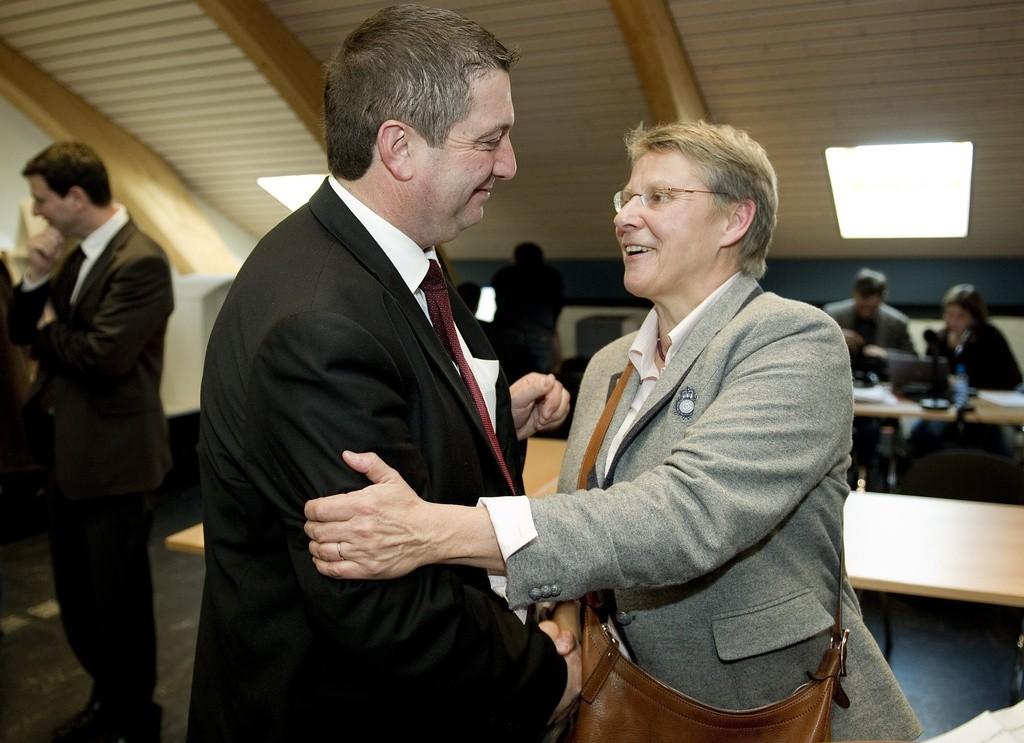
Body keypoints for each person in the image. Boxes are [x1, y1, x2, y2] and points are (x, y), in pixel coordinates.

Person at [304, 120, 923, 741]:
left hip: (759, 709)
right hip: (622, 704)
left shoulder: (793, 340)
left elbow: (686, 516)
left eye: (657, 198)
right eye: (625, 199)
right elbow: (591, 519)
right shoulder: (608, 366)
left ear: (735, 220)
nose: (626, 217)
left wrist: (435, 532)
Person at [187, 5, 577, 741]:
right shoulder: (320, 320)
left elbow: (411, 420)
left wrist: (488, 410)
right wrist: (542, 677)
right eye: (489, 140)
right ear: (399, 147)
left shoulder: (398, 258)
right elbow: (383, 598)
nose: (510, 162)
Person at [7, 142, 173, 742]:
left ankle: (134, 720)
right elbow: (20, 329)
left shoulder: (142, 260)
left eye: (42, 199)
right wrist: (33, 278)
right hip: (67, 457)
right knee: (79, 603)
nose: (38, 211)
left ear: (76, 196)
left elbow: (104, 358)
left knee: (119, 607)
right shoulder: (74, 259)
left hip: (115, 464)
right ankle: (107, 706)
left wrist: (50, 335)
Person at [910, 284, 1022, 457]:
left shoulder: (991, 337)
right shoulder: (939, 338)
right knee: (921, 433)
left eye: (961, 316)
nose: (953, 322)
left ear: (975, 317)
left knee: (997, 445)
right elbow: (928, 375)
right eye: (949, 315)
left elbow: (1013, 378)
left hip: (987, 410)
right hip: (947, 407)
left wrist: (967, 363)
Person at [823, 267, 915, 380]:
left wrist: (886, 354)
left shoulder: (897, 322)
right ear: (855, 294)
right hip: (839, 379)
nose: (866, 312)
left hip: (883, 381)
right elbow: (814, 348)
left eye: (872, 308)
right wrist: (836, 336)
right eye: (862, 306)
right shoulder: (833, 314)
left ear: (882, 299)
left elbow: (912, 359)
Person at [490, 242, 564, 381]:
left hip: (507, 333)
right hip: (540, 333)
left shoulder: (504, 275)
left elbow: (499, 303)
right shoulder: (551, 276)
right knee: (539, 381)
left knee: (504, 379)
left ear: (516, 257)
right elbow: (556, 307)